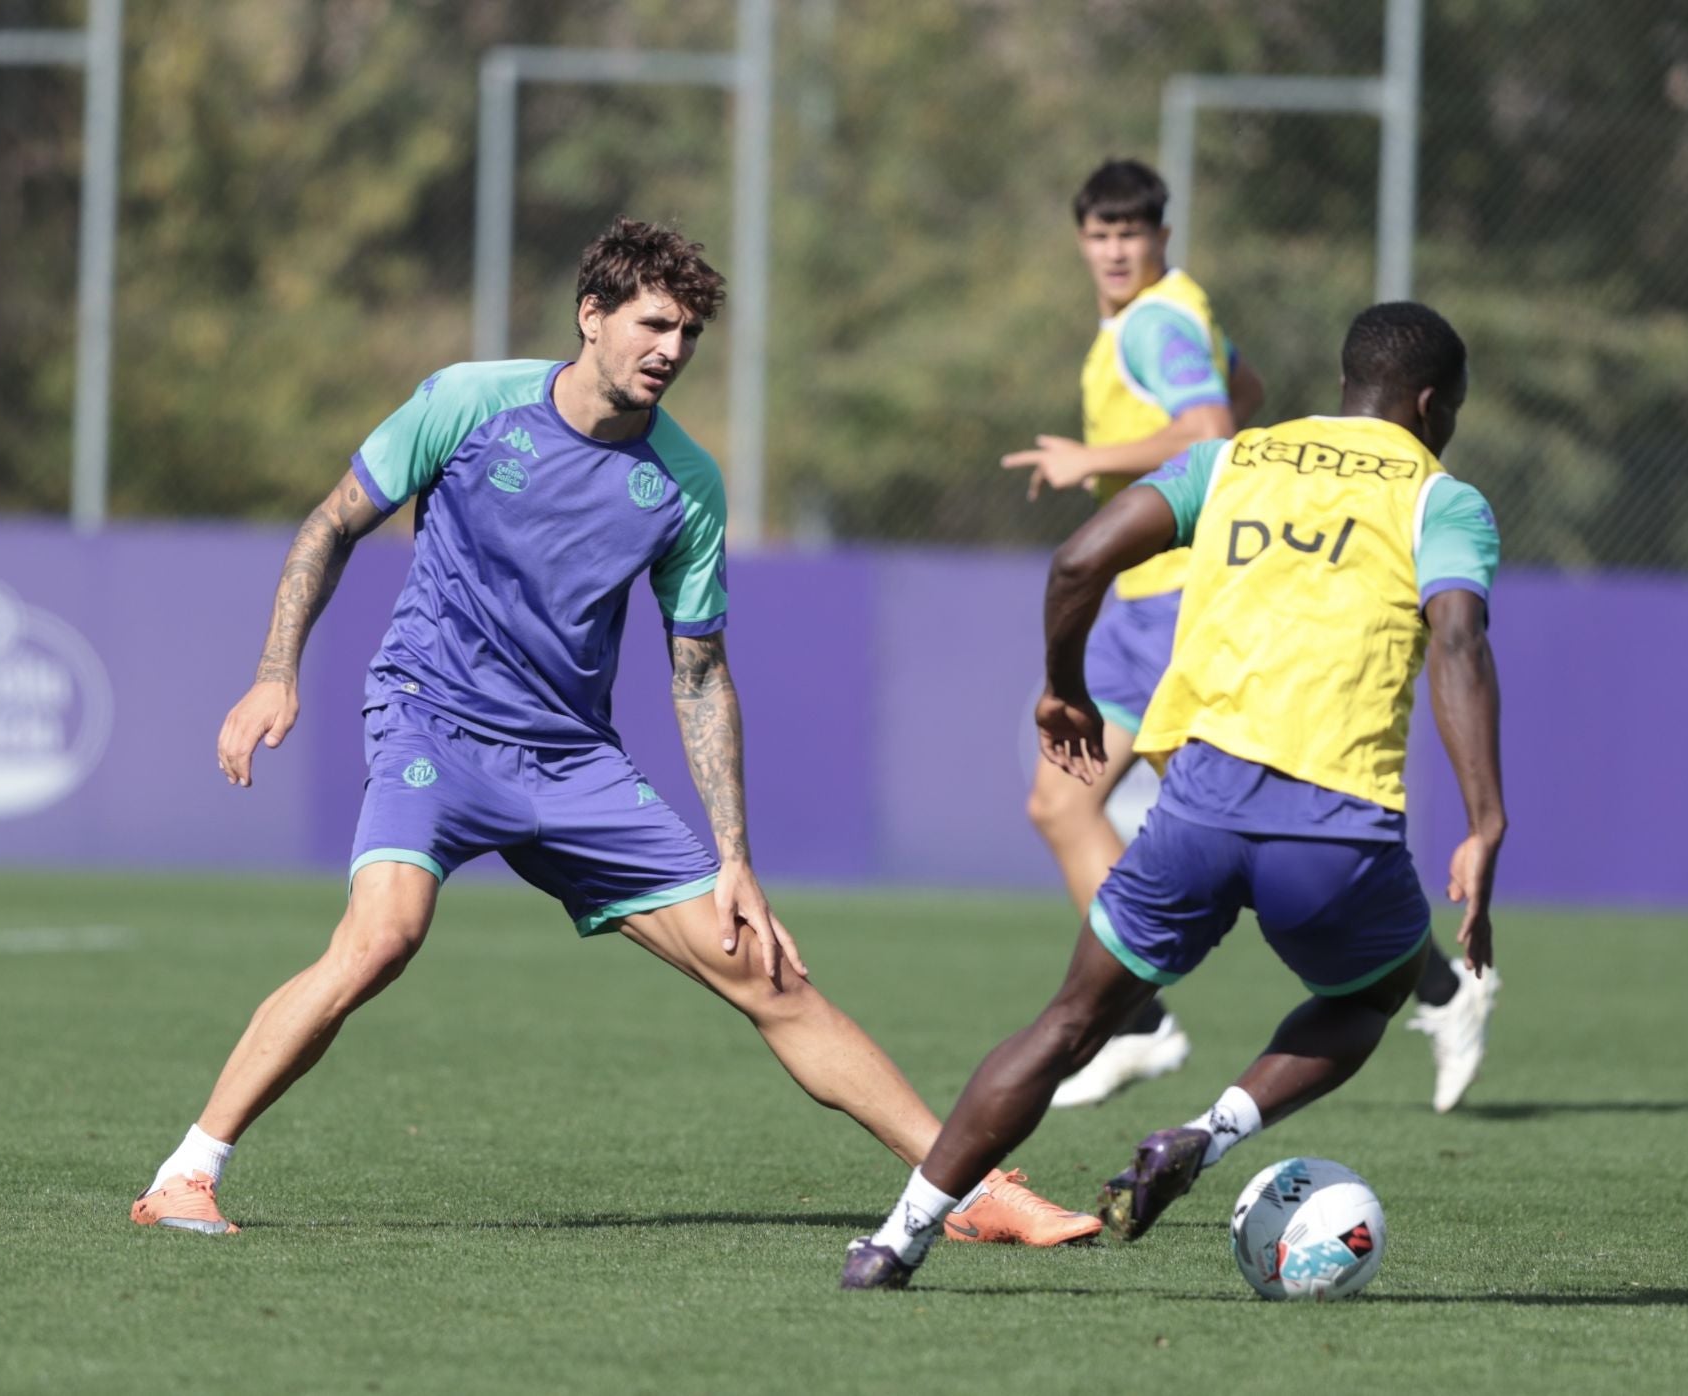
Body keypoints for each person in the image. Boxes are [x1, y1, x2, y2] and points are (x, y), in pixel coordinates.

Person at [129, 218, 1096, 1249]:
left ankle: (969, 1187)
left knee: (763, 967)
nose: (671, 350)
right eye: (653, 324)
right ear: (590, 317)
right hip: (433, 721)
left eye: (687, 333)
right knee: (382, 937)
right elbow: (330, 524)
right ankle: (187, 1172)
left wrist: (736, 859)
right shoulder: (467, 402)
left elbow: (698, 673)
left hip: (570, 762)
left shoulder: (685, 486)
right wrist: (276, 674)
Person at [845, 302, 1505, 1289]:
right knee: (1373, 990)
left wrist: (1062, 684)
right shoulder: (1441, 498)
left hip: (1193, 810)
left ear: (1340, 386)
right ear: (1430, 404)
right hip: (1333, 828)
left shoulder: (1232, 460)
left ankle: (894, 1239)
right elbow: (1456, 641)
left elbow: (1078, 561)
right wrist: (1485, 817)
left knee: (1068, 1023)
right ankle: (1206, 1130)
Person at [1000, 159, 1264, 1107]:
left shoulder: (1154, 321)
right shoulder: (1171, 312)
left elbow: (1209, 426)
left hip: (1178, 599)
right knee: (1062, 800)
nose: (1115, 250)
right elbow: (1248, 392)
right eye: (1100, 234)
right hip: (1144, 596)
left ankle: (1139, 1012)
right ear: (1082, 240)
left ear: (1160, 238)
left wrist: (1090, 460)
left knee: (1232, 818)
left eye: (1132, 233)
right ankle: (1140, 1016)